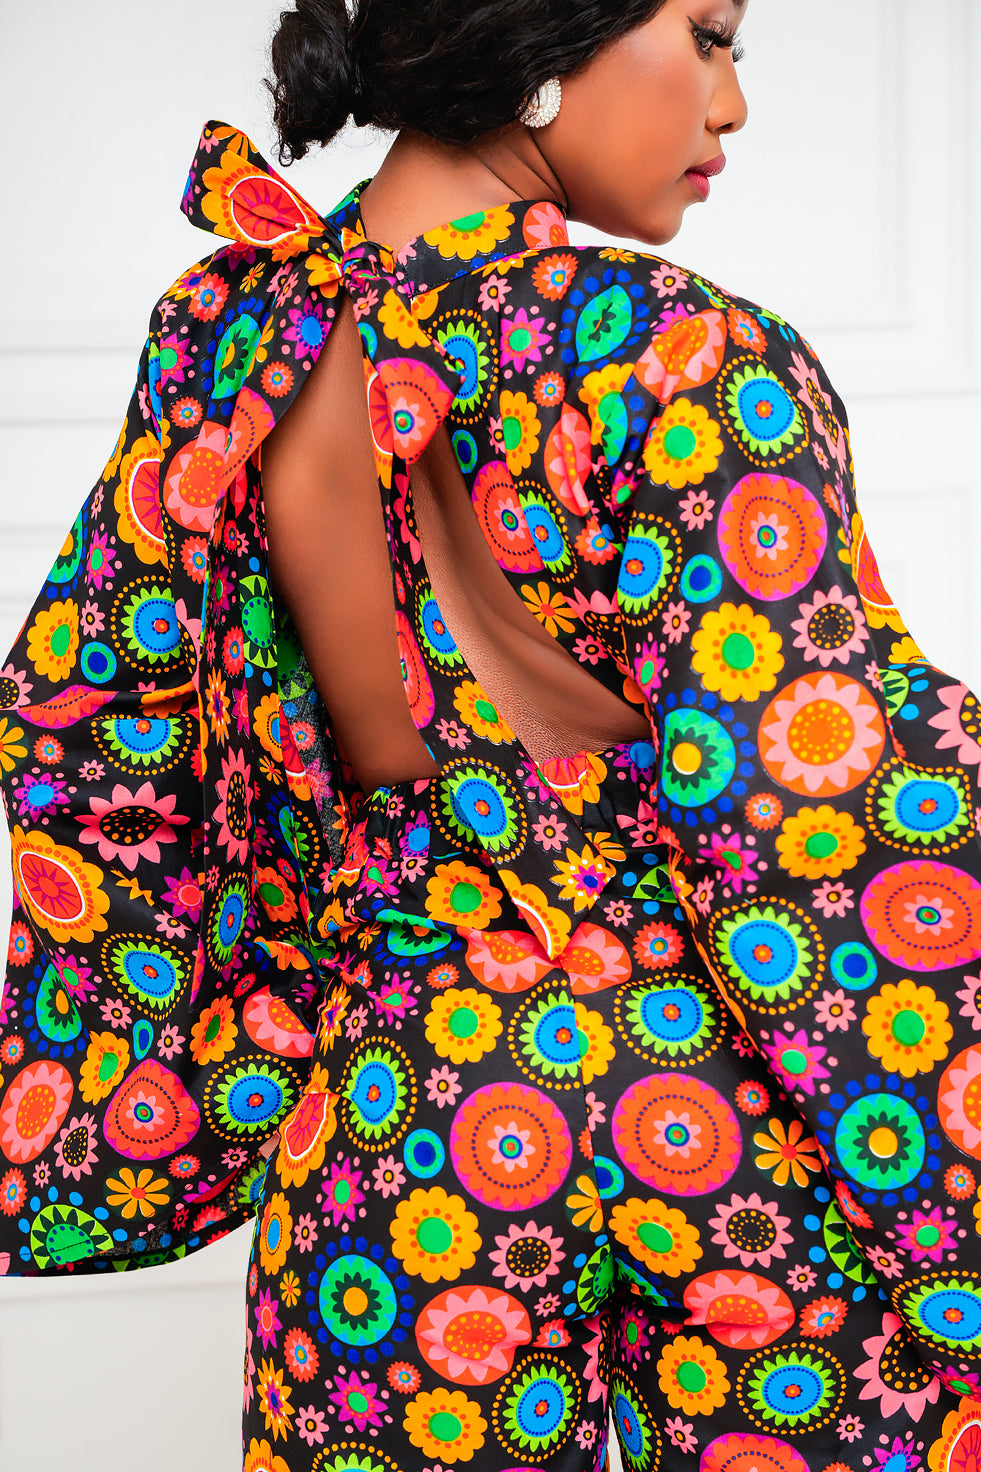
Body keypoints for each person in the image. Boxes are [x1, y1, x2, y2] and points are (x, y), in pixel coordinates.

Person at [2, 2, 981, 1470]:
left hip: (395, 1115)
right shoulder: (684, 355)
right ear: (541, 43)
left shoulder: (227, 346)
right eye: (709, 34)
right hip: (708, 1118)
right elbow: (815, 792)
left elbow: (106, 733)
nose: (730, 103)